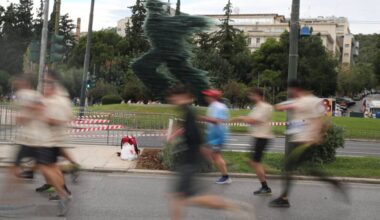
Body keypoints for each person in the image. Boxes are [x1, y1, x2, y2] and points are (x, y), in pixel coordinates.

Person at [166, 86, 253, 220]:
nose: (172, 99)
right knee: (180, 197)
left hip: (194, 158)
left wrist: (203, 148)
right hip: (193, 157)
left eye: (175, 96)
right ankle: (232, 204)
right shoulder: (190, 111)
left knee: (181, 197)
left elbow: (208, 128)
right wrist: (176, 134)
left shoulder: (204, 109)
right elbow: (191, 131)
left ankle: (232, 205)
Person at [269, 80, 346, 208]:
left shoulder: (311, 101)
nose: (289, 93)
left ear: (296, 89)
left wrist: (318, 135)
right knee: (308, 169)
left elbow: (323, 120)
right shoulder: (300, 101)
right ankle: (333, 183)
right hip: (300, 140)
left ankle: (284, 198)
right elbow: (284, 107)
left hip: (303, 141)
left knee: (289, 168)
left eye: (290, 90)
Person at [231, 88, 274, 195]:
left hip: (262, 137)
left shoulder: (265, 107)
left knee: (255, 162)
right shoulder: (257, 107)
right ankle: (265, 174)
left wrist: (240, 118)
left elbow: (254, 121)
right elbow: (251, 120)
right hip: (257, 137)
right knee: (252, 161)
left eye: (252, 95)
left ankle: (265, 187)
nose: (250, 97)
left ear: (259, 96)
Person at [199, 89, 231, 185]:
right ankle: (221, 166)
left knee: (215, 155)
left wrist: (203, 118)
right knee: (207, 152)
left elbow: (217, 121)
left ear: (213, 97)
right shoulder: (213, 106)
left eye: (208, 96)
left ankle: (225, 176)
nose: (206, 97)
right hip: (213, 136)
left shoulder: (219, 107)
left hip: (219, 136)